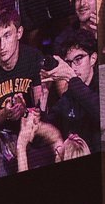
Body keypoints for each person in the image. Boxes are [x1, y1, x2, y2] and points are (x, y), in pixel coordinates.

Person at [0, 8, 44, 141]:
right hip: (1, 134)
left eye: (7, 36)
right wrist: (3, 114)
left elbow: (41, 112)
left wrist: (24, 111)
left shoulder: (33, 58)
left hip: (30, 128)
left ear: (19, 33)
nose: (1, 46)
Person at [42, 27, 101, 156]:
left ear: (93, 58)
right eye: (69, 62)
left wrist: (71, 78)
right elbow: (41, 139)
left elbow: (99, 111)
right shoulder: (70, 95)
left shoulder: (103, 85)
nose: (73, 68)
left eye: (78, 59)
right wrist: (44, 94)